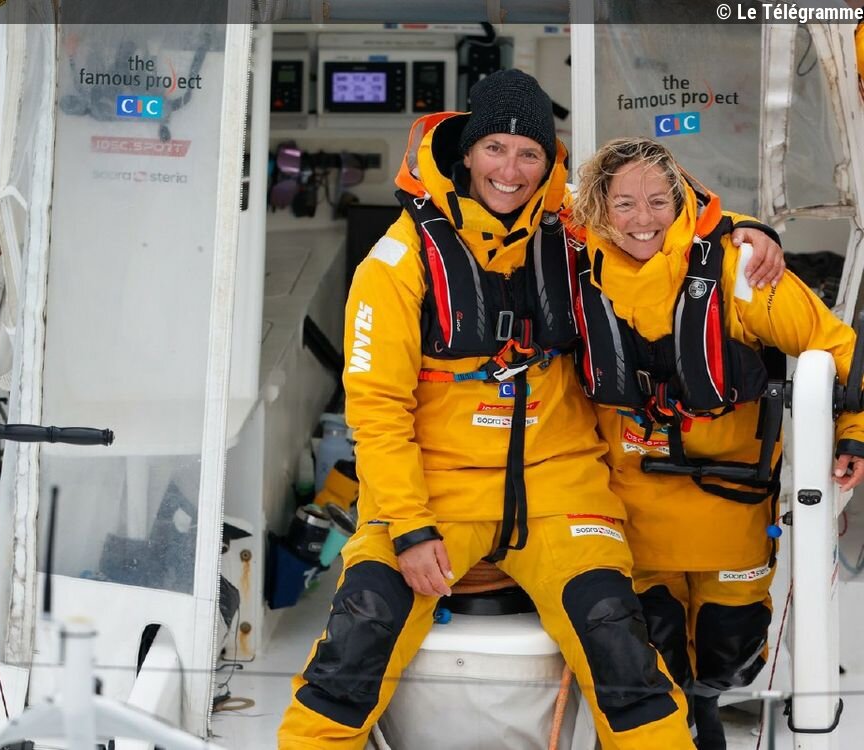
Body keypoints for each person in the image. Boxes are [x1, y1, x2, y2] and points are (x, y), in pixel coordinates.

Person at [276, 70, 783, 750]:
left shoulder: (577, 226)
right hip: (434, 494)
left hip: (561, 493)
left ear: (549, 161)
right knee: (359, 635)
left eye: (529, 153)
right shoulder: (396, 263)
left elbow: (668, 218)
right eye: (495, 148)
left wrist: (749, 229)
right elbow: (377, 408)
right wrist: (410, 527)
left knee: (618, 644)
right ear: (467, 152)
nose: (509, 171)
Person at [567, 136, 864, 749]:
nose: (642, 219)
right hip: (626, 507)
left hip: (732, 504)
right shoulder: (574, 263)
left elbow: (838, 349)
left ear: (682, 203)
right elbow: (515, 195)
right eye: (623, 203)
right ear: (597, 205)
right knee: (650, 646)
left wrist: (854, 434)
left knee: (731, 647)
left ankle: (706, 711)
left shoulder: (740, 268)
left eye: (658, 201)